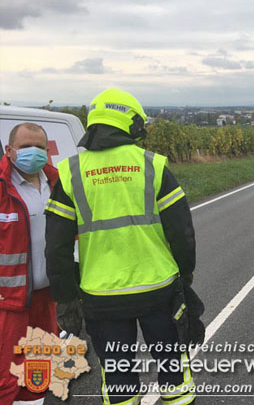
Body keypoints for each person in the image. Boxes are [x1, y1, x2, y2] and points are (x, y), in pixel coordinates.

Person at [45, 88, 201, 405]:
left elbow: (56, 247)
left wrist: (66, 297)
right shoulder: (153, 166)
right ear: (130, 122)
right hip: (158, 291)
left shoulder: (70, 173)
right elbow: (182, 232)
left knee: (117, 377)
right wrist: (185, 277)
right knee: (173, 371)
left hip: (101, 298)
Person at [0, 123, 58, 405]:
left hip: (47, 299)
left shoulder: (57, 184)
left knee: (39, 372)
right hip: (8, 303)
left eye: (39, 147)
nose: (33, 152)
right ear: (9, 151)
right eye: (25, 147)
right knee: (5, 378)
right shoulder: (2, 189)